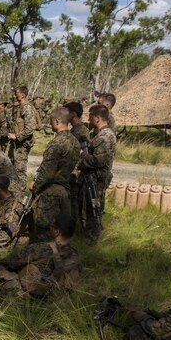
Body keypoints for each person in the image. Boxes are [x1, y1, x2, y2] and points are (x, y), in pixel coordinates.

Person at [0, 214, 81, 297]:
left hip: (36, 293)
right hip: (58, 295)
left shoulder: (42, 248)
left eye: (52, 226)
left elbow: (12, 262)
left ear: (57, 231)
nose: (49, 228)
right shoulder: (74, 254)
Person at [31, 107, 81, 231]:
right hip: (66, 189)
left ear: (57, 122)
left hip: (51, 191)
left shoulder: (56, 143)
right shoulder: (75, 141)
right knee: (61, 229)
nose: (50, 123)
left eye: (51, 121)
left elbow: (47, 172)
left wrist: (36, 187)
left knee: (45, 229)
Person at [77, 104, 116, 244]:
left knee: (93, 208)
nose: (88, 119)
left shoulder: (104, 137)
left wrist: (81, 157)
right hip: (92, 179)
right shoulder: (99, 134)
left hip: (96, 181)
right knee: (90, 207)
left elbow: (97, 161)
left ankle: (92, 238)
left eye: (90, 116)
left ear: (98, 118)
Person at [8, 86, 40, 193]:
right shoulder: (19, 107)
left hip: (22, 145)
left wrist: (17, 136)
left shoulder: (26, 107)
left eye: (16, 93)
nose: (14, 95)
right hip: (16, 144)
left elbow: (31, 127)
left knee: (19, 171)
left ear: (23, 94)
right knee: (13, 168)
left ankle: (20, 196)